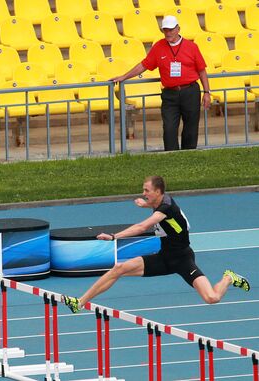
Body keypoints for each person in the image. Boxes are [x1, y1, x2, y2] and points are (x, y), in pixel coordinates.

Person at [63, 176, 250, 314]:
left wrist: (114, 237)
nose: (143, 194)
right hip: (163, 258)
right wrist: (145, 205)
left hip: (183, 260)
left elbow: (142, 226)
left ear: (158, 192)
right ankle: (79, 303)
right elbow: (155, 210)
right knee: (118, 268)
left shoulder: (166, 208)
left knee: (212, 298)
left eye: (146, 191)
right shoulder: (160, 203)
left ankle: (228, 277)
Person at [110, 15, 211, 151]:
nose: (168, 33)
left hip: (190, 91)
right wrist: (124, 76)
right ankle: (171, 154)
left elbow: (202, 71)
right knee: (169, 127)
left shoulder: (191, 47)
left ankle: (189, 153)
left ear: (178, 29)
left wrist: (206, 92)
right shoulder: (159, 46)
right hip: (170, 93)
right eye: (165, 30)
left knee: (191, 126)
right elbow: (144, 65)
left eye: (170, 30)